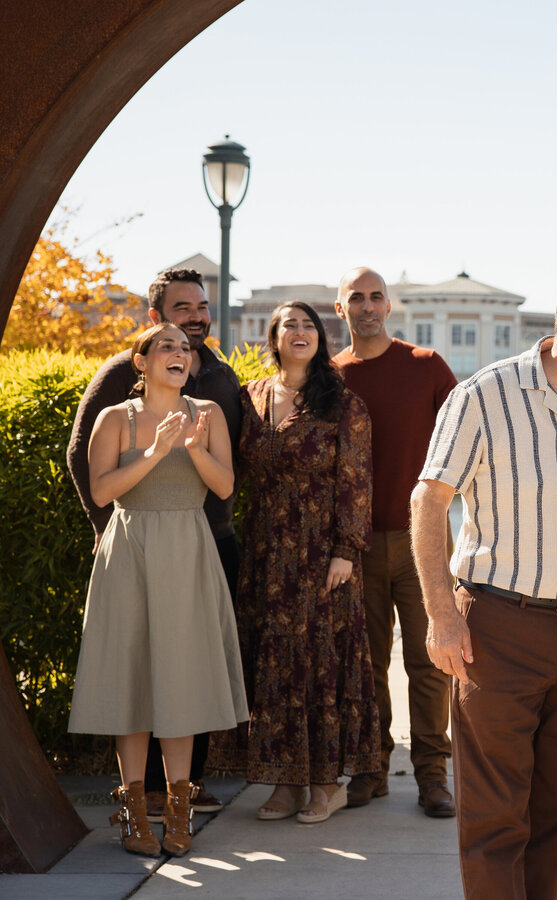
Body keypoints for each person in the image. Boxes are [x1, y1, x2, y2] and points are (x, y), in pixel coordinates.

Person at [412, 268, 557, 900]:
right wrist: (441, 613)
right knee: (494, 817)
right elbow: (429, 501)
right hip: (496, 628)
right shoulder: (484, 396)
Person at [67, 267, 242, 821]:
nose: (181, 345)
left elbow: (227, 482)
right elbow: (95, 479)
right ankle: (135, 806)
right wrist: (149, 458)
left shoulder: (214, 398)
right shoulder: (116, 402)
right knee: (133, 671)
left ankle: (182, 801)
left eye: (183, 347)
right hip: (132, 546)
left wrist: (190, 449)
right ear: (142, 357)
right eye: (167, 338)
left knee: (185, 671)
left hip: (195, 546)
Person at [221, 301, 380, 825]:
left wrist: (345, 551)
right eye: (289, 324)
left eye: (309, 325)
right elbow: (233, 473)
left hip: (321, 556)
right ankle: (284, 784)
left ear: (321, 337)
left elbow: (357, 483)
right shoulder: (250, 397)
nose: (300, 331)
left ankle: (325, 784)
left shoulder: (343, 403)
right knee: (276, 667)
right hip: (266, 554)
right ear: (273, 336)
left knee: (321, 666)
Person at [332, 266, 459, 816]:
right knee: (367, 663)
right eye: (355, 297)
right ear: (340, 309)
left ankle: (433, 776)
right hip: (355, 547)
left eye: (375, 296)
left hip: (422, 543)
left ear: (389, 307)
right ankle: (373, 767)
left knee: (430, 663)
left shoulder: (425, 367)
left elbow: (464, 442)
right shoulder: (328, 376)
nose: (366, 305)